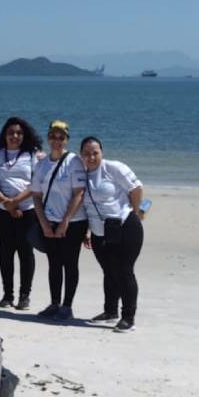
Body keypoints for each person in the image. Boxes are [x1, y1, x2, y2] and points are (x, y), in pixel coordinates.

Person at [76, 136, 145, 332]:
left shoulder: (113, 168)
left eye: (95, 153)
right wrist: (88, 231)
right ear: (81, 155)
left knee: (125, 271)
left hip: (125, 227)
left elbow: (137, 188)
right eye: (87, 154)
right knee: (109, 271)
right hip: (99, 233)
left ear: (102, 153)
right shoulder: (82, 174)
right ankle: (110, 311)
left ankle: (128, 317)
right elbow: (88, 207)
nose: (91, 157)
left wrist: (135, 212)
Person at [30, 120, 87, 321]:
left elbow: (79, 194)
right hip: (49, 222)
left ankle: (67, 306)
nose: (57, 140)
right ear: (48, 138)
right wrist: (44, 223)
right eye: (53, 136)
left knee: (70, 263)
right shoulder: (42, 164)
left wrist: (65, 222)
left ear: (67, 140)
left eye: (61, 137)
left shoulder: (74, 162)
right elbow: (36, 195)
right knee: (54, 263)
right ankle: (54, 303)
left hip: (74, 223)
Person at [0, 116, 43, 310]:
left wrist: (16, 202)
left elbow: (36, 183)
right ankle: (7, 295)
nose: (15, 136)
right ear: (5, 135)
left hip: (27, 210)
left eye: (18, 133)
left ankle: (24, 296)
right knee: (6, 252)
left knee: (26, 253)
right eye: (11, 133)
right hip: (2, 211)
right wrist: (6, 203)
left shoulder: (32, 154)